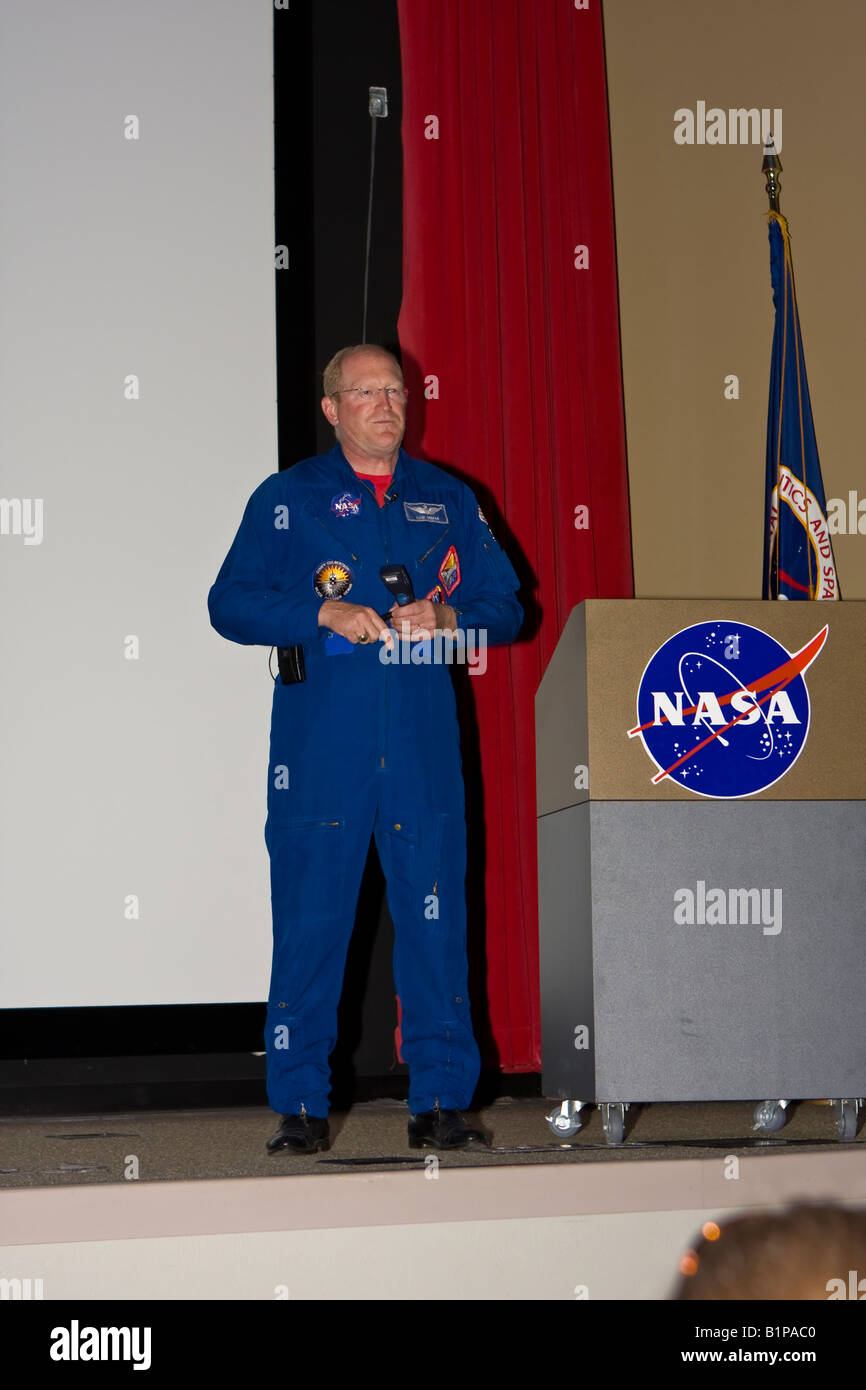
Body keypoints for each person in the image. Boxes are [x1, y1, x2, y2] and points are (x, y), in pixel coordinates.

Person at [208, 344, 523, 1154]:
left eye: (396, 390)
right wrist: (319, 616)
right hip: (323, 750)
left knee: (436, 920)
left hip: (421, 744)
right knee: (312, 925)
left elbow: (507, 604)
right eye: (366, 391)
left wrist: (451, 621)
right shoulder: (289, 499)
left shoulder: (447, 497)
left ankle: (443, 1102)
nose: (386, 403)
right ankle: (302, 1107)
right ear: (332, 409)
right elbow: (229, 602)